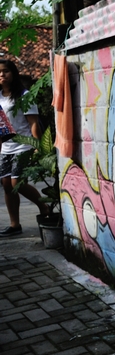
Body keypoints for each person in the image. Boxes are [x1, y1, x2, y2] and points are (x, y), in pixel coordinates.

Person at [0, 60, 49, 237]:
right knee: (6, 185)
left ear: (13, 73)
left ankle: (44, 206)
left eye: (6, 71)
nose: (2, 75)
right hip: (6, 147)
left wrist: (37, 146)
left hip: (24, 145)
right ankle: (15, 225)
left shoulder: (24, 95)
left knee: (16, 183)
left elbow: (33, 123)